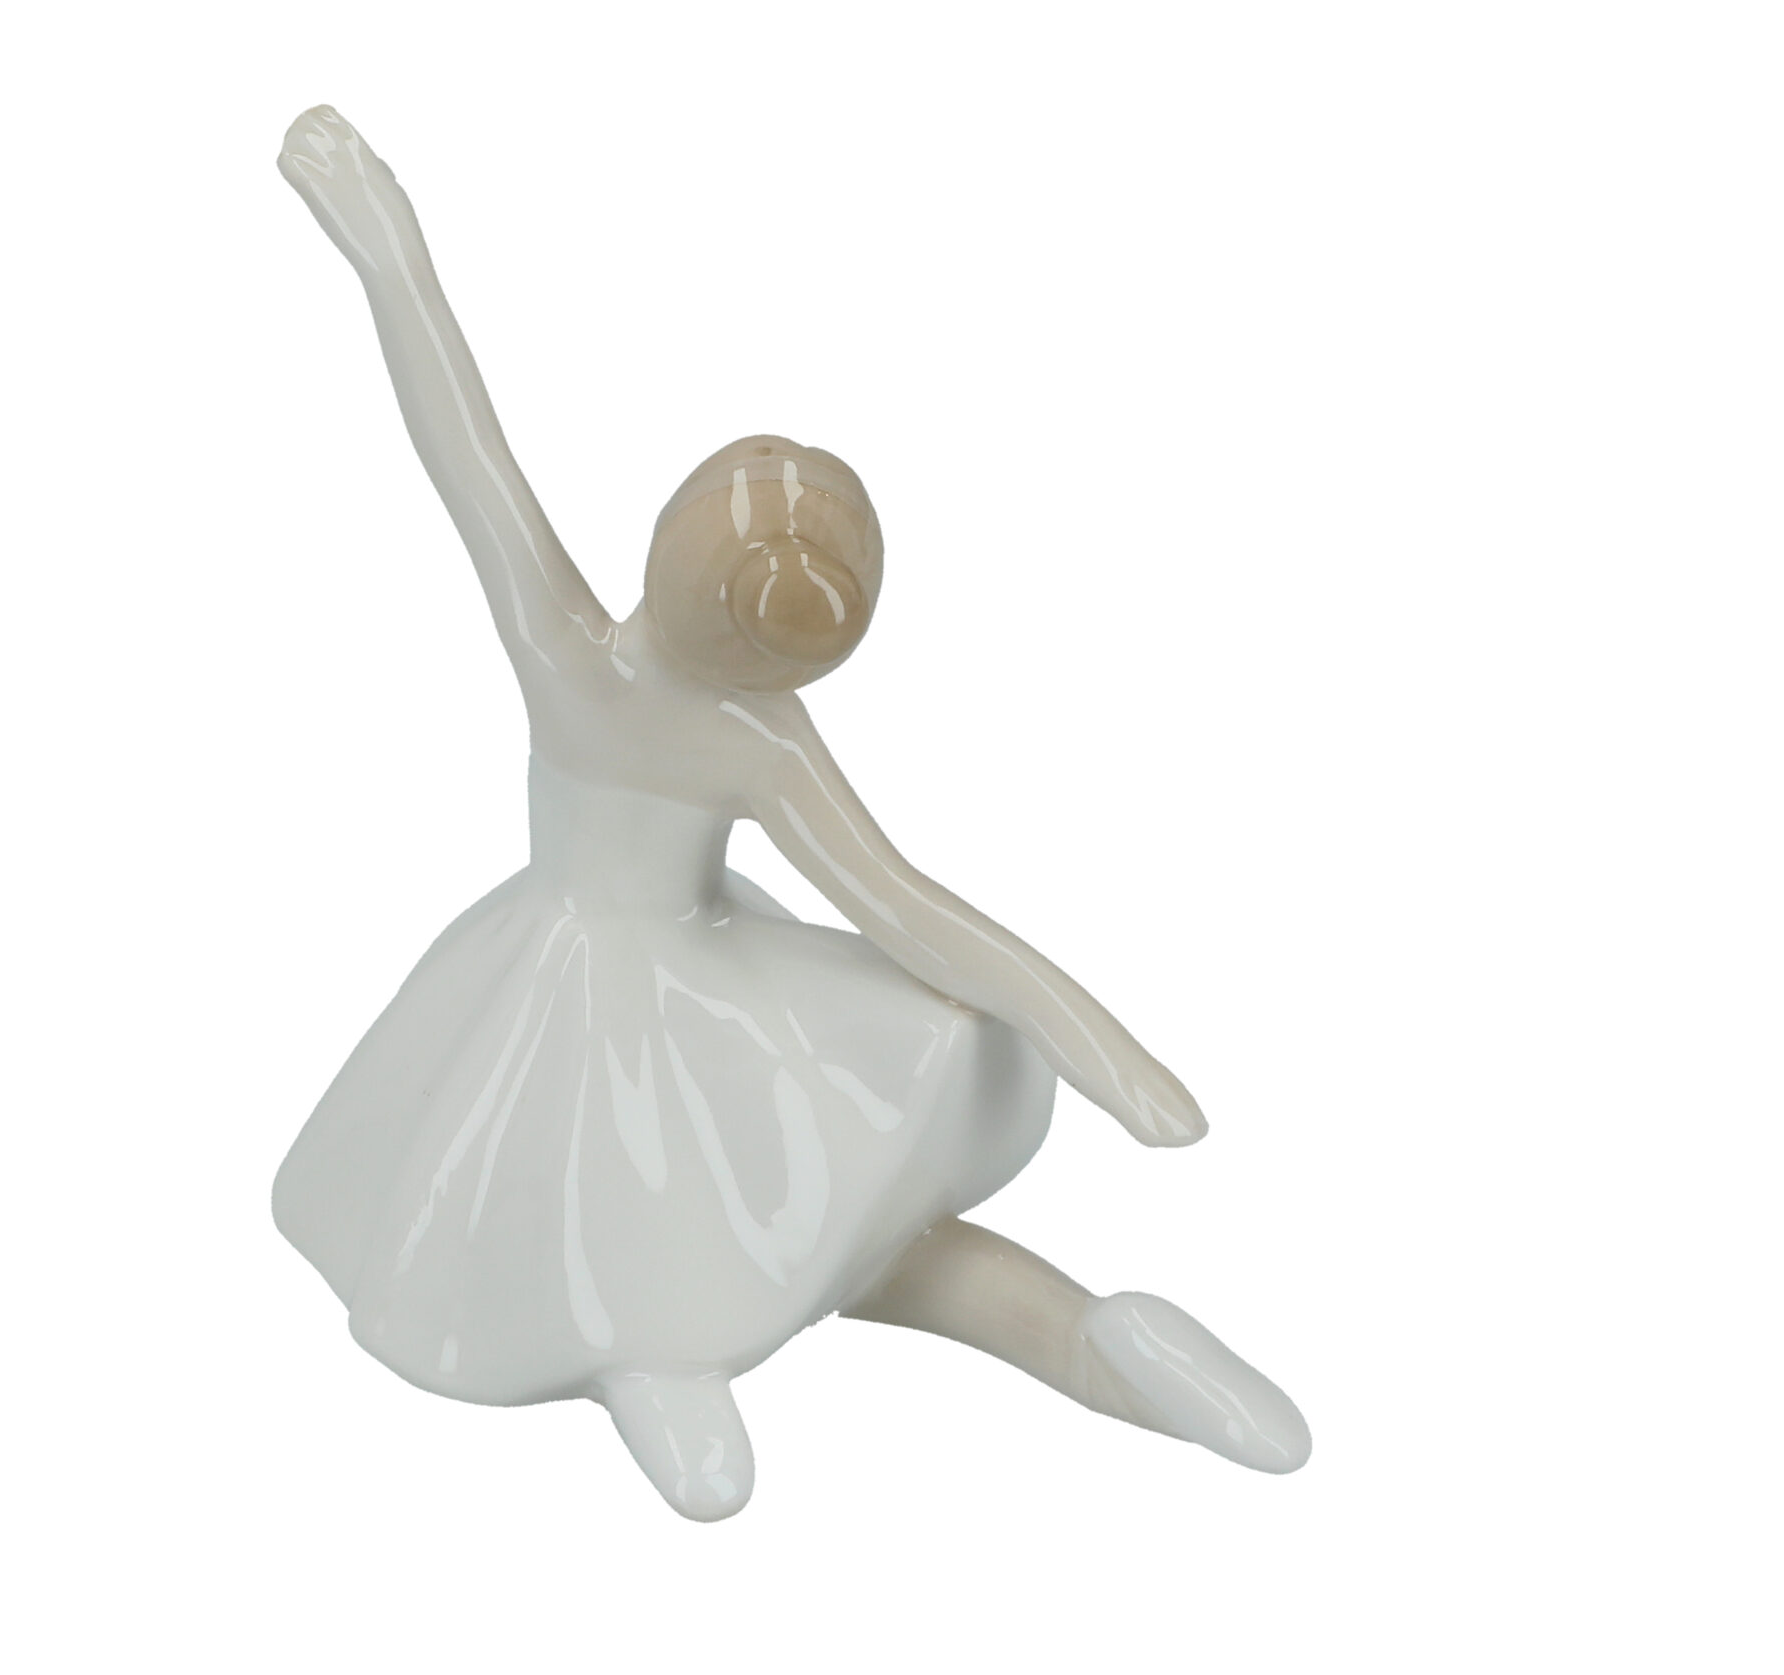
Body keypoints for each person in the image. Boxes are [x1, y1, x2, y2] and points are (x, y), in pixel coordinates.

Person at [272, 107, 1308, 1520]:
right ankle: (1085, 1341)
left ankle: (660, 1376)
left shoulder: (563, 650)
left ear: (662, 546)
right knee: (860, 1234)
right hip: (714, 994)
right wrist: (1101, 1050)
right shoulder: (761, 741)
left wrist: (386, 252)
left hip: (560, 992)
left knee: (609, 1225)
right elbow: (914, 915)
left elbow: (464, 447)